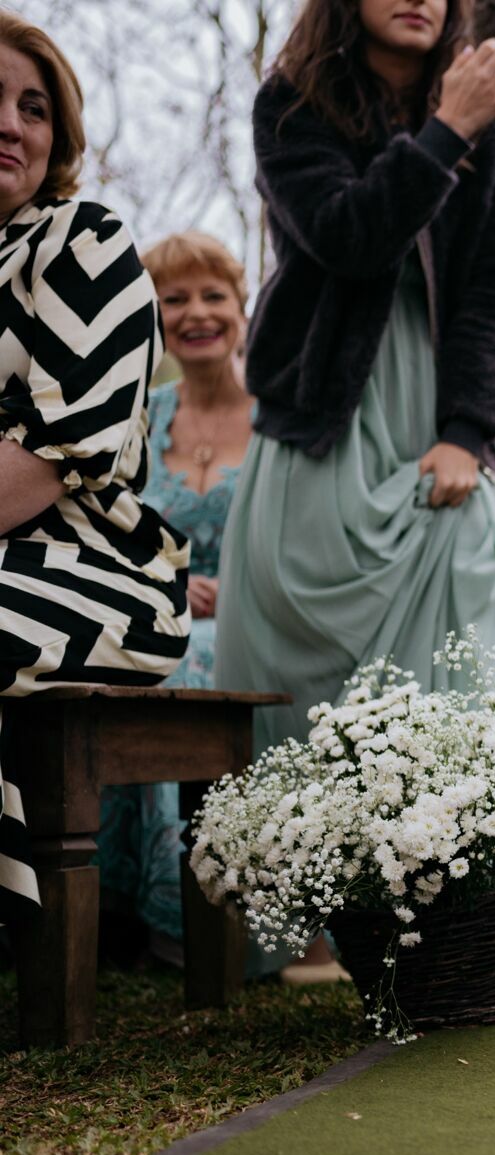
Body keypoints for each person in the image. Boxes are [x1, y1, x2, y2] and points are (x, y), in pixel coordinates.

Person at [215, 0, 495, 754]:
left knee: (456, 681)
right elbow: (346, 236)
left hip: (447, 423)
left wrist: (467, 433)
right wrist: (446, 131)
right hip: (324, 414)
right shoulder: (291, 108)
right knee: (297, 683)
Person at [0, 14, 189, 909]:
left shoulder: (83, 242)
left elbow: (44, 464)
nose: (10, 124)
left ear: (58, 137)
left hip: (95, 569)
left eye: (33, 108)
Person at [91, 234, 254, 960]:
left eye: (213, 295)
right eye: (174, 299)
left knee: (187, 656)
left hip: (256, 619)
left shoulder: (278, 420)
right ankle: (115, 901)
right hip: (148, 608)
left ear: (242, 308)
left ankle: (188, 916)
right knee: (143, 652)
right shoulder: (137, 417)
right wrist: (167, 583)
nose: (195, 313)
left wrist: (242, 589)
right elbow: (101, 531)